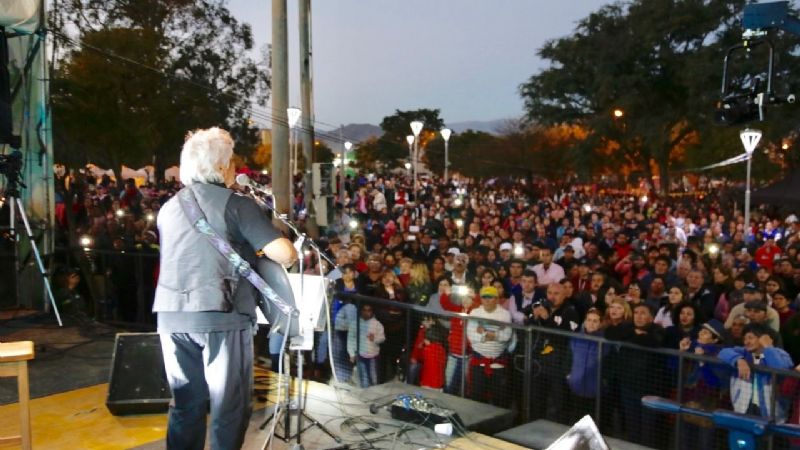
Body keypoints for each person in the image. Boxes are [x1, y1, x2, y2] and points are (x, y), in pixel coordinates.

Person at [153, 127, 298, 450]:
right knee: (227, 408)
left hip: (171, 316)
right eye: (232, 162)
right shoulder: (237, 204)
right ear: (220, 167)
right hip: (222, 314)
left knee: (185, 404)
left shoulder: (168, 207)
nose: (235, 169)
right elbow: (285, 254)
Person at [719, 323, 793, 420]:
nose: (746, 342)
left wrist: (768, 347)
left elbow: (779, 368)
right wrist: (739, 360)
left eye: (751, 338)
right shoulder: (743, 353)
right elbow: (723, 352)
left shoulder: (780, 354)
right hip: (744, 407)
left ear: (764, 338)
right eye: (745, 339)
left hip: (770, 411)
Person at [466, 286, 513, 405]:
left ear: (497, 299)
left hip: (498, 362)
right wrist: (494, 334)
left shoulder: (505, 314)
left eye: (490, 297)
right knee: (477, 398)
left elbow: (506, 336)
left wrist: (483, 332)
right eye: (484, 297)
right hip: (479, 361)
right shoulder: (475, 312)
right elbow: (472, 336)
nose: (487, 300)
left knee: (500, 400)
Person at [348, 303, 386, 387]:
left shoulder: (377, 324)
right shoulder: (355, 323)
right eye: (364, 310)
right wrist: (352, 354)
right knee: (363, 379)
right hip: (360, 355)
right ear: (361, 311)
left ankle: (374, 396)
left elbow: (382, 338)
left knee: (374, 379)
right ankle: (364, 396)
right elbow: (350, 339)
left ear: (372, 312)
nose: (366, 312)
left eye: (369, 310)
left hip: (373, 356)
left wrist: (375, 339)